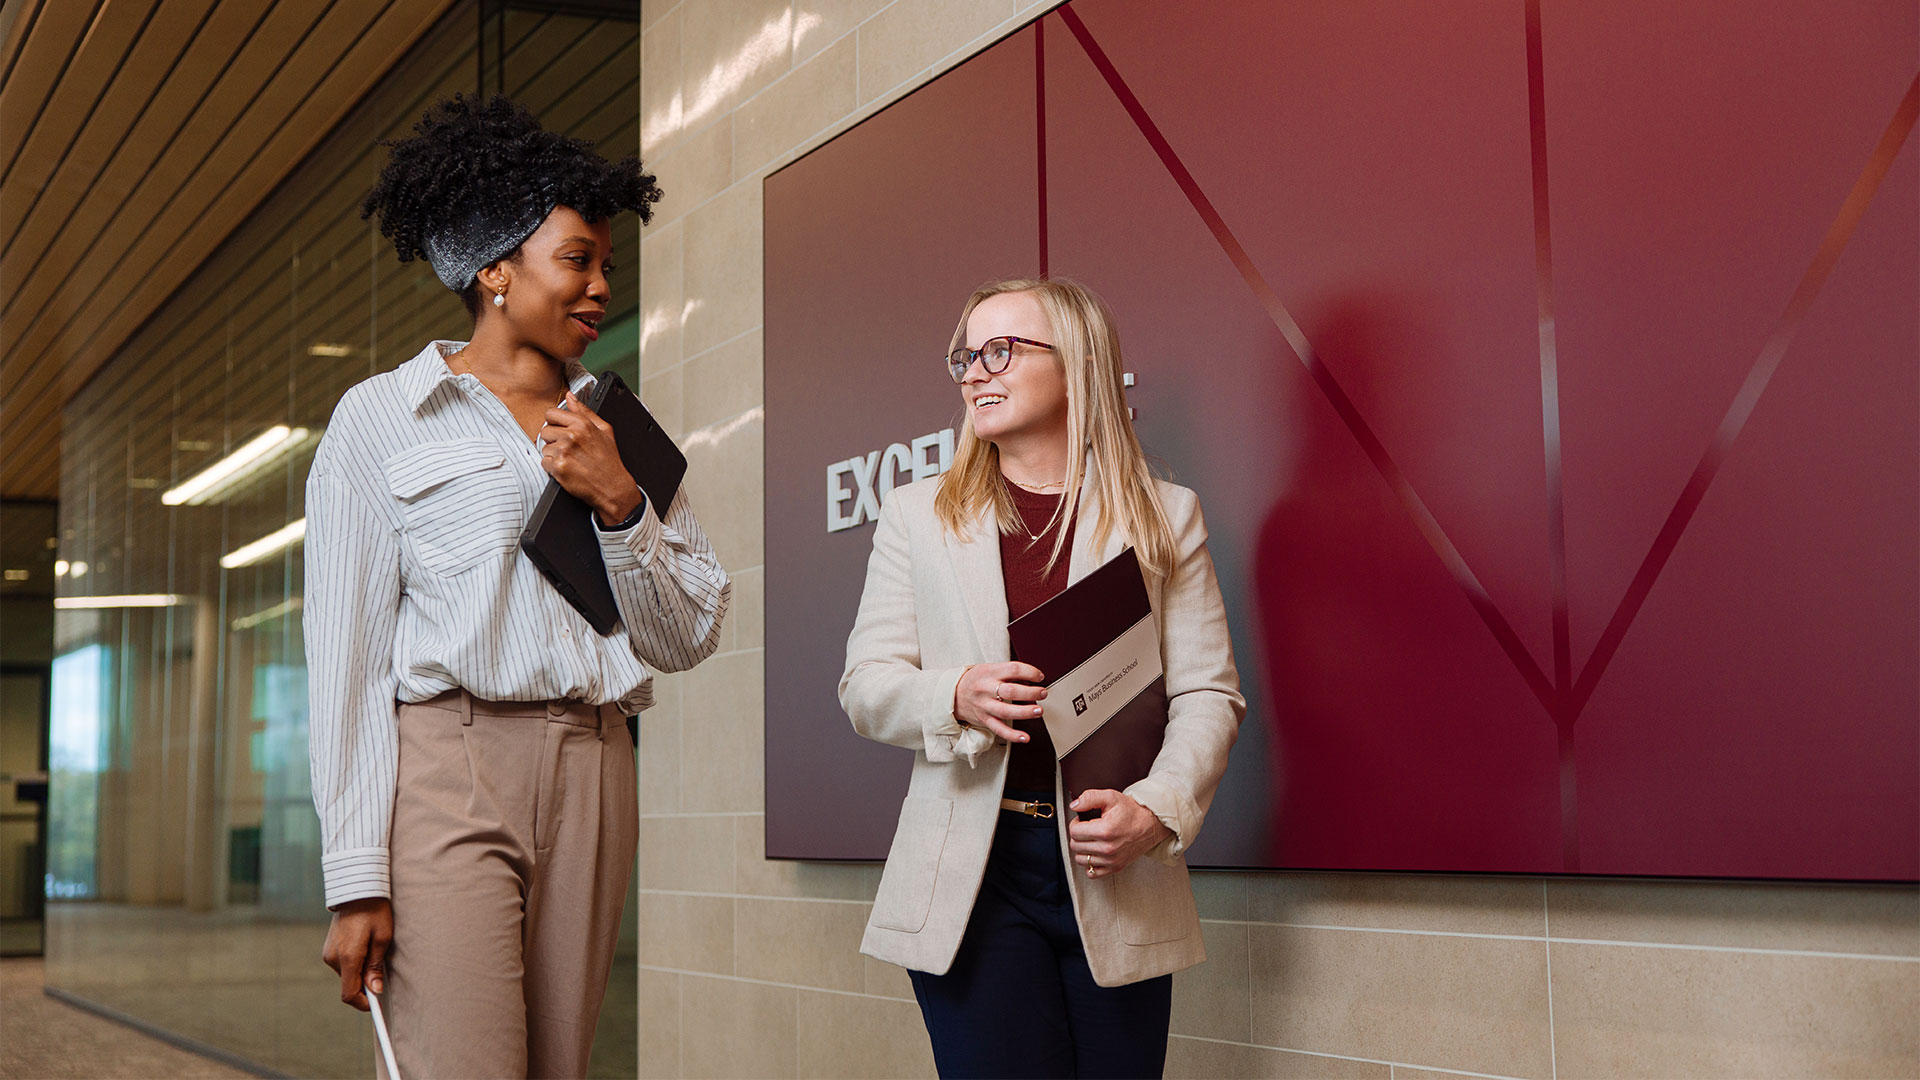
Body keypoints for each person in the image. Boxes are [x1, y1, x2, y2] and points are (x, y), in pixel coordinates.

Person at [305, 95, 729, 1079]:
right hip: (451, 765)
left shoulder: (617, 429)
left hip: (596, 764)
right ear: (496, 270)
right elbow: (348, 663)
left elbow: (690, 630)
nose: (599, 287)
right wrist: (356, 877)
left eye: (606, 267)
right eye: (577, 259)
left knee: (557, 1067)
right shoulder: (382, 420)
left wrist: (620, 501)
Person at [841, 278, 1244, 1078]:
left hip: (1112, 868)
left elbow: (1207, 694)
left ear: (1078, 364)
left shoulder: (1166, 515)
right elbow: (865, 684)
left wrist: (1156, 810)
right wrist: (952, 694)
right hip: (972, 882)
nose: (974, 373)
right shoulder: (918, 516)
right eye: (966, 355)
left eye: (1001, 351)